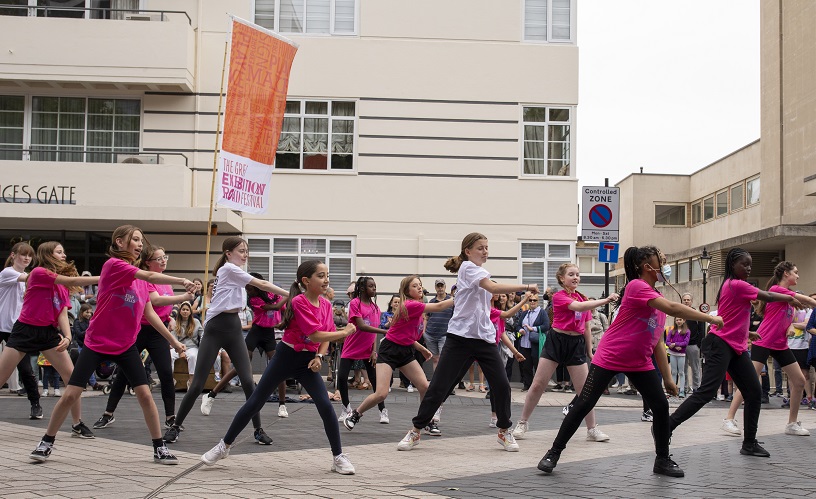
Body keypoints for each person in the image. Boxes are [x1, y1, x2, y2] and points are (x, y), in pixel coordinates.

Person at [537, 245, 723, 477]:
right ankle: (553, 453)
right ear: (647, 267)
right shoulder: (637, 287)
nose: (665, 265)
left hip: (639, 362)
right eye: (661, 260)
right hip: (610, 357)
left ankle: (662, 460)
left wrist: (667, 379)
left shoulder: (657, 298)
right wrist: (710, 318)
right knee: (584, 403)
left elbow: (657, 343)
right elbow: (676, 308)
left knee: (661, 407)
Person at [29, 226, 195, 464]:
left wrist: (174, 341)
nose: (139, 244)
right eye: (134, 239)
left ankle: (159, 447)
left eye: (140, 240)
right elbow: (149, 275)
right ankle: (46, 442)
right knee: (71, 394)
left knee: (146, 395)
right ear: (119, 242)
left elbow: (150, 314)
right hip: (97, 343)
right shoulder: (114, 266)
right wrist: (182, 280)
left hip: (126, 345)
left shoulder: (140, 281)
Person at [201, 260, 357, 474]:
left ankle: (338, 457)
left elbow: (324, 338)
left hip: (307, 361)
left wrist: (320, 355)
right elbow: (315, 334)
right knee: (254, 402)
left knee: (326, 406)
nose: (326, 279)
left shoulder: (327, 306)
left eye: (327, 275)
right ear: (306, 281)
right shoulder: (299, 302)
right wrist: (345, 332)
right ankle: (223, 446)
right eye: (321, 276)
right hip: (285, 356)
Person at [396, 232, 539, 452]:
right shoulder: (468, 268)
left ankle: (504, 431)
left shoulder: (480, 271)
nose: (485, 252)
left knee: (501, 385)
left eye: (487, 248)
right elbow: (492, 287)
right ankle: (415, 431)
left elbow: (490, 300)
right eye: (480, 248)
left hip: (482, 338)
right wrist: (526, 286)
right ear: (467, 251)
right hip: (459, 338)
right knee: (440, 386)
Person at [670, 249, 809, 458]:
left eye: (750, 264)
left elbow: (732, 314)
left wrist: (748, 332)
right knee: (706, 392)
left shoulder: (734, 286)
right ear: (733, 265)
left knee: (753, 392)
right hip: (720, 344)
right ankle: (667, 426)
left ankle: (750, 443)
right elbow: (769, 296)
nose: (749, 268)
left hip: (736, 346)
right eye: (744, 264)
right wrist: (791, 299)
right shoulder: (736, 284)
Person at [164, 237, 289, 445]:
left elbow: (261, 292)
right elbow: (262, 284)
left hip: (233, 328)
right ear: (228, 253)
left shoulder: (236, 274)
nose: (245, 254)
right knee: (197, 384)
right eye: (241, 250)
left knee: (249, 382)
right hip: (215, 328)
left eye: (246, 250)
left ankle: (258, 429)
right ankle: (175, 427)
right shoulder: (228, 269)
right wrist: (292, 294)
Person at [93, 245, 196, 431]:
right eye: (159, 258)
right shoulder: (143, 277)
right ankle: (108, 414)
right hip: (140, 330)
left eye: (165, 257)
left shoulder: (165, 281)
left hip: (158, 332)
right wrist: (183, 297)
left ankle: (170, 417)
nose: (164, 260)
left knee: (165, 373)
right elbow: (155, 301)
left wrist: (170, 316)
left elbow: (163, 307)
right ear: (148, 263)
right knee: (124, 374)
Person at [0, 241, 98, 433]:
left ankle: (77, 423)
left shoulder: (60, 284)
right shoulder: (38, 273)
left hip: (48, 333)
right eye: (59, 252)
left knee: (73, 378)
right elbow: (72, 281)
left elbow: (62, 312)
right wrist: (107, 277)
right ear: (48, 255)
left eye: (64, 251)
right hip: (24, 330)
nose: (64, 255)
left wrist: (68, 337)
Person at [513, 263, 617, 442]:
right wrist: (606, 300)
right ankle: (522, 422)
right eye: (571, 274)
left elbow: (585, 326)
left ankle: (592, 428)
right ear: (562, 278)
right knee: (538, 384)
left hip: (575, 344)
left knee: (584, 390)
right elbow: (577, 307)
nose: (575, 277)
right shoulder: (559, 297)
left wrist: (589, 350)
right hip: (556, 341)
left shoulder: (583, 297)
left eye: (577, 274)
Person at [716, 260, 816, 437]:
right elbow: (808, 300)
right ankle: (729, 419)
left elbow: (786, 320)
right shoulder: (777, 290)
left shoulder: (788, 299)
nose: (798, 276)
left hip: (780, 344)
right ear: (786, 274)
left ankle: (792, 424)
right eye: (796, 272)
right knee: (749, 381)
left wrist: (790, 329)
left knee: (799, 381)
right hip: (763, 341)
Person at [341, 275, 451, 432]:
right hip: (390, 350)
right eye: (415, 286)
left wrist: (421, 348)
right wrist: (459, 297)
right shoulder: (410, 305)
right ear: (407, 291)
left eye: (420, 285)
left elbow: (405, 335)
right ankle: (355, 414)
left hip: (405, 351)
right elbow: (439, 307)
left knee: (424, 387)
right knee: (381, 393)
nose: (419, 287)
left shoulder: (417, 309)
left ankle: (425, 421)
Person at [201, 272, 289, 417]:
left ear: (258, 286)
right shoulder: (253, 300)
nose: (247, 291)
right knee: (240, 367)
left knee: (278, 368)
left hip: (269, 334)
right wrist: (290, 293)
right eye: (246, 288)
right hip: (256, 332)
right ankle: (211, 395)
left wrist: (284, 320)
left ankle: (282, 405)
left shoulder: (273, 294)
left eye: (250, 288)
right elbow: (274, 307)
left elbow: (284, 309)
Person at [337, 276, 389, 424]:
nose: (374, 289)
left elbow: (372, 333)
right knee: (341, 377)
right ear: (362, 288)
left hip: (367, 349)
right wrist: (385, 332)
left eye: (375, 286)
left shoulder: (376, 308)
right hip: (351, 346)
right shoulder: (355, 303)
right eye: (371, 286)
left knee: (374, 380)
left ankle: (383, 411)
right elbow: (361, 326)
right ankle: (346, 408)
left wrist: (374, 351)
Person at [0, 242, 43, 419]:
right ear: (13, 255)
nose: (26, 258)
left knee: (25, 369)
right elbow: (29, 278)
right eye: (23, 254)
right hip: (1, 324)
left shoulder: (28, 277)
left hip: (17, 329)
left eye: (29, 255)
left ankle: (35, 405)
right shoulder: (7, 273)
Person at [515, 292, 550, 391]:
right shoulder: (525, 313)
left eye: (534, 300)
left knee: (538, 366)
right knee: (526, 366)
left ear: (538, 301)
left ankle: (539, 387)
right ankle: (527, 385)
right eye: (530, 300)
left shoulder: (542, 312)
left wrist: (533, 328)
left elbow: (546, 326)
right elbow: (518, 325)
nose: (532, 302)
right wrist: (520, 330)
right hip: (525, 343)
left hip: (536, 343)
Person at [424, 279, 454, 373]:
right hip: (430, 335)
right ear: (435, 288)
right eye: (438, 286)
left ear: (445, 287)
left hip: (444, 335)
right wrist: (424, 332)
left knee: (444, 359)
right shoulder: (432, 301)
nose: (440, 288)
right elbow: (426, 317)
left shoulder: (451, 301)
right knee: (435, 359)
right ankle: (436, 383)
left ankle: (444, 383)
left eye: (442, 286)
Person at [680, 293, 703, 394]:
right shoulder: (679, 313)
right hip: (681, 346)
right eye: (684, 300)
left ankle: (696, 387)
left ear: (691, 301)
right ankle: (684, 388)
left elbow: (701, 330)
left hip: (693, 345)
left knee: (695, 368)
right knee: (682, 369)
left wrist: (698, 344)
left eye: (688, 300)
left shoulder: (696, 314)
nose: (686, 301)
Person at [666, 317, 690, 398]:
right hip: (673, 353)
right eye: (677, 320)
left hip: (681, 354)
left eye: (680, 319)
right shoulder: (672, 331)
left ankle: (682, 390)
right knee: (673, 372)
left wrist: (676, 344)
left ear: (684, 320)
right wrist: (673, 346)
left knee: (681, 372)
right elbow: (667, 341)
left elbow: (685, 342)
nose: (678, 321)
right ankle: (673, 389)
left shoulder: (687, 331)